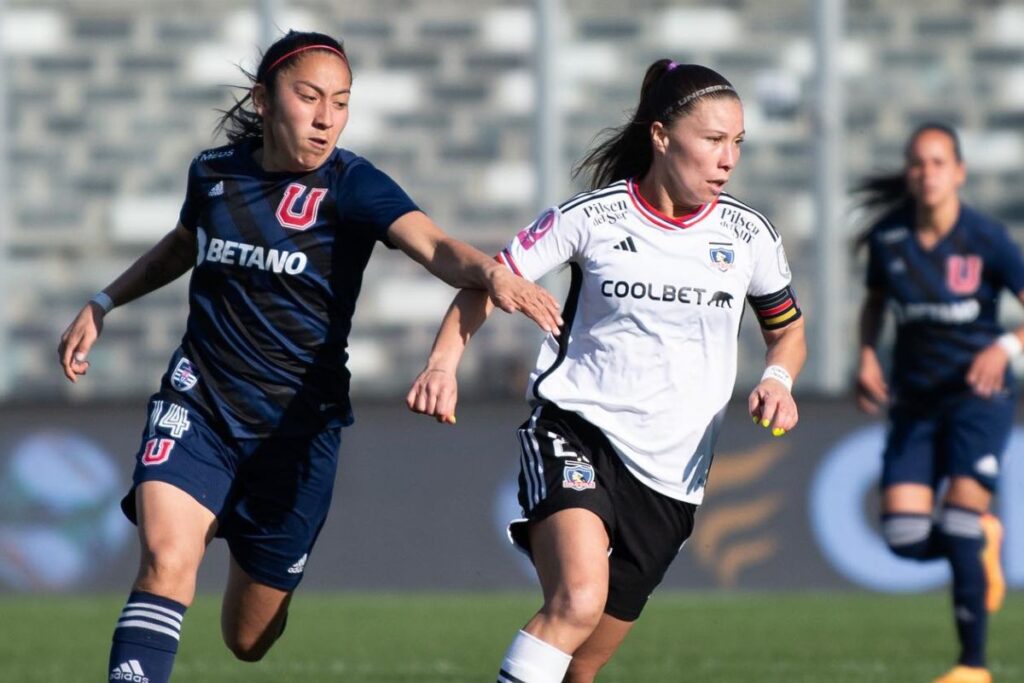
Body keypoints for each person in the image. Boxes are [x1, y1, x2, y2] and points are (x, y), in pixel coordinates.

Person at [56, 30, 562, 683]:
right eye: (310, 97)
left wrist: (491, 275)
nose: (326, 117)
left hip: (297, 433)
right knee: (166, 560)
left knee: (249, 636)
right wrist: (103, 300)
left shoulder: (352, 185)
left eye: (342, 102)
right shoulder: (215, 173)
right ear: (263, 101)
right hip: (200, 402)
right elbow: (184, 242)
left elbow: (436, 247)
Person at [407, 61, 806, 683]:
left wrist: (778, 380)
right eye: (713, 139)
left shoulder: (749, 236)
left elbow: (785, 331)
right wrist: (443, 363)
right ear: (661, 136)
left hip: (673, 476)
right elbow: (493, 279)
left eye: (738, 143)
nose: (728, 158)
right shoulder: (592, 217)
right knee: (577, 601)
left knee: (580, 666)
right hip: (578, 430)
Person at [856, 122, 1020, 683]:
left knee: (957, 518)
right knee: (904, 538)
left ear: (959, 172)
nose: (927, 173)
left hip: (979, 399)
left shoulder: (987, 238)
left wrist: (1004, 345)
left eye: (938, 162)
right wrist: (866, 356)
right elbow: (875, 304)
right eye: (918, 163)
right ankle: (981, 539)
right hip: (916, 402)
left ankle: (972, 665)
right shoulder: (890, 238)